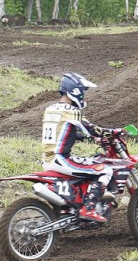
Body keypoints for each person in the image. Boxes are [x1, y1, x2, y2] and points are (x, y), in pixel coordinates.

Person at [42, 72, 121, 224]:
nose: (83, 96)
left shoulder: (50, 109)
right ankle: (88, 209)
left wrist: (90, 138)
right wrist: (114, 132)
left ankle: (73, 207)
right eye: (83, 92)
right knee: (105, 169)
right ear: (75, 91)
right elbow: (91, 128)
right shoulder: (71, 111)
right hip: (61, 159)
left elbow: (66, 132)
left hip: (48, 159)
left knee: (89, 163)